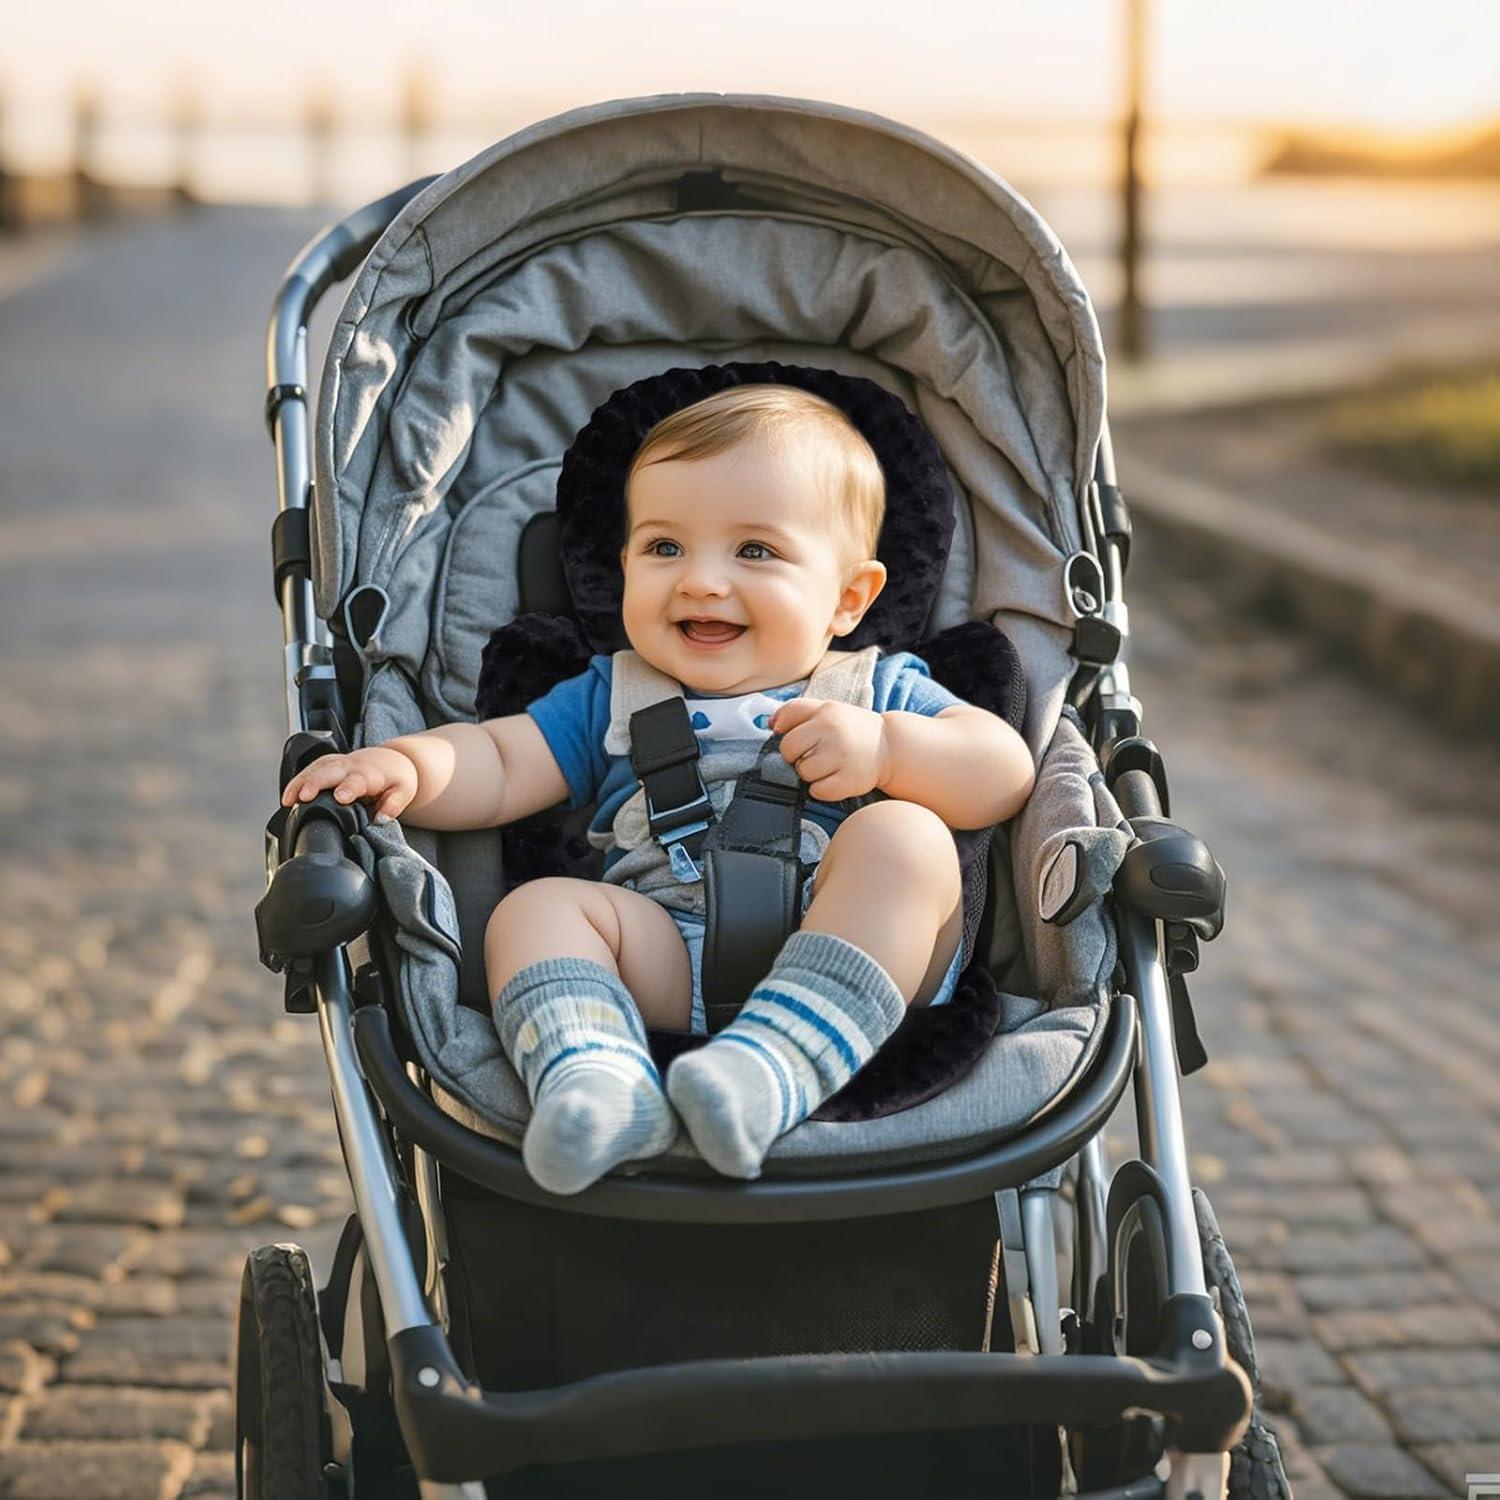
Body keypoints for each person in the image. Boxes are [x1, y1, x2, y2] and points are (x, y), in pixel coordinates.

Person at [280, 386, 1035, 1193]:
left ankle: (772, 1069)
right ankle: (596, 1078)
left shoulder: (879, 690)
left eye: (754, 552)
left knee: (906, 841)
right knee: (535, 911)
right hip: (669, 958)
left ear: (849, 597)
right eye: (664, 548)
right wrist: (408, 767)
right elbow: (500, 763)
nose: (701, 582)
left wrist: (888, 751)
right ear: (625, 563)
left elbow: (1002, 772)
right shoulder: (614, 695)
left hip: (859, 955)